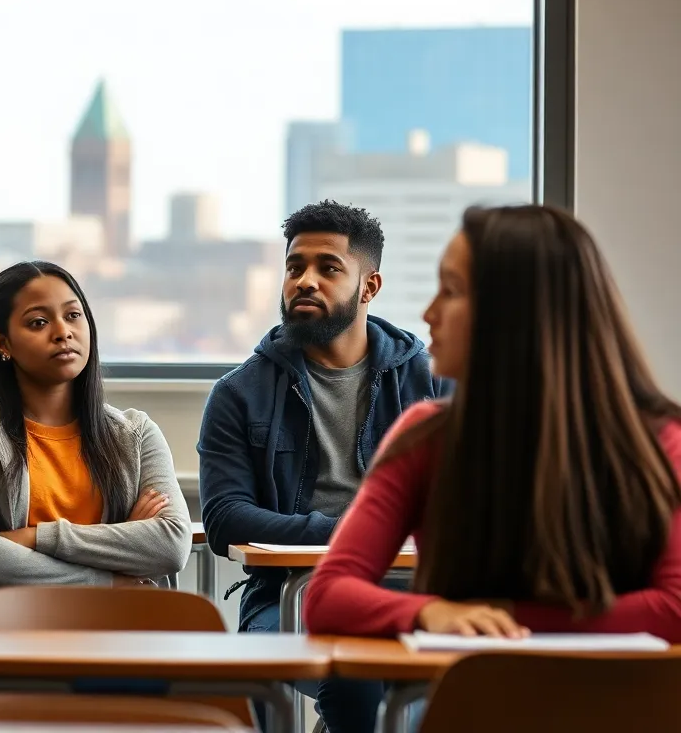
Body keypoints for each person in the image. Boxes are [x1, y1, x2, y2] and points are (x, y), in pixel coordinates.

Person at [304, 204, 681, 645]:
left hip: (622, 709)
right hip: (473, 706)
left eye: (452, 290)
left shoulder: (659, 440)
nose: (429, 313)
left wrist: (504, 617)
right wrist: (430, 612)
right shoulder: (426, 436)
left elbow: (675, 608)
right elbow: (328, 596)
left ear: (519, 313)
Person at [197, 200, 448, 733]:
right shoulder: (238, 394)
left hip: (420, 596)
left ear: (370, 286)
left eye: (328, 268)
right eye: (295, 267)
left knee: (457, 683)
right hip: (288, 601)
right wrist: (351, 534)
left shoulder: (432, 387)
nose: (305, 281)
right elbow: (225, 519)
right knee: (353, 673)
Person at [0, 261, 192, 629]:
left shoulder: (134, 433)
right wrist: (106, 579)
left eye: (73, 316)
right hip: (4, 642)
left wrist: (36, 537)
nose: (63, 332)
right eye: (38, 322)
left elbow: (171, 544)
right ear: (3, 343)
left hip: (119, 638)